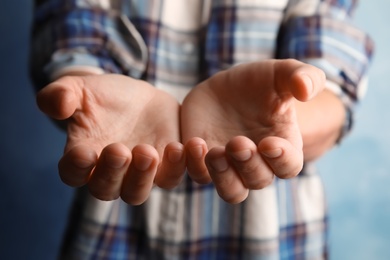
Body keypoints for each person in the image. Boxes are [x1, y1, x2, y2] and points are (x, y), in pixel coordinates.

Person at [30, 0, 373, 259]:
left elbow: (330, 87)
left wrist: (281, 121)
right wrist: (89, 97)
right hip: (112, 230)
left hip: (274, 235)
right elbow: (74, 33)